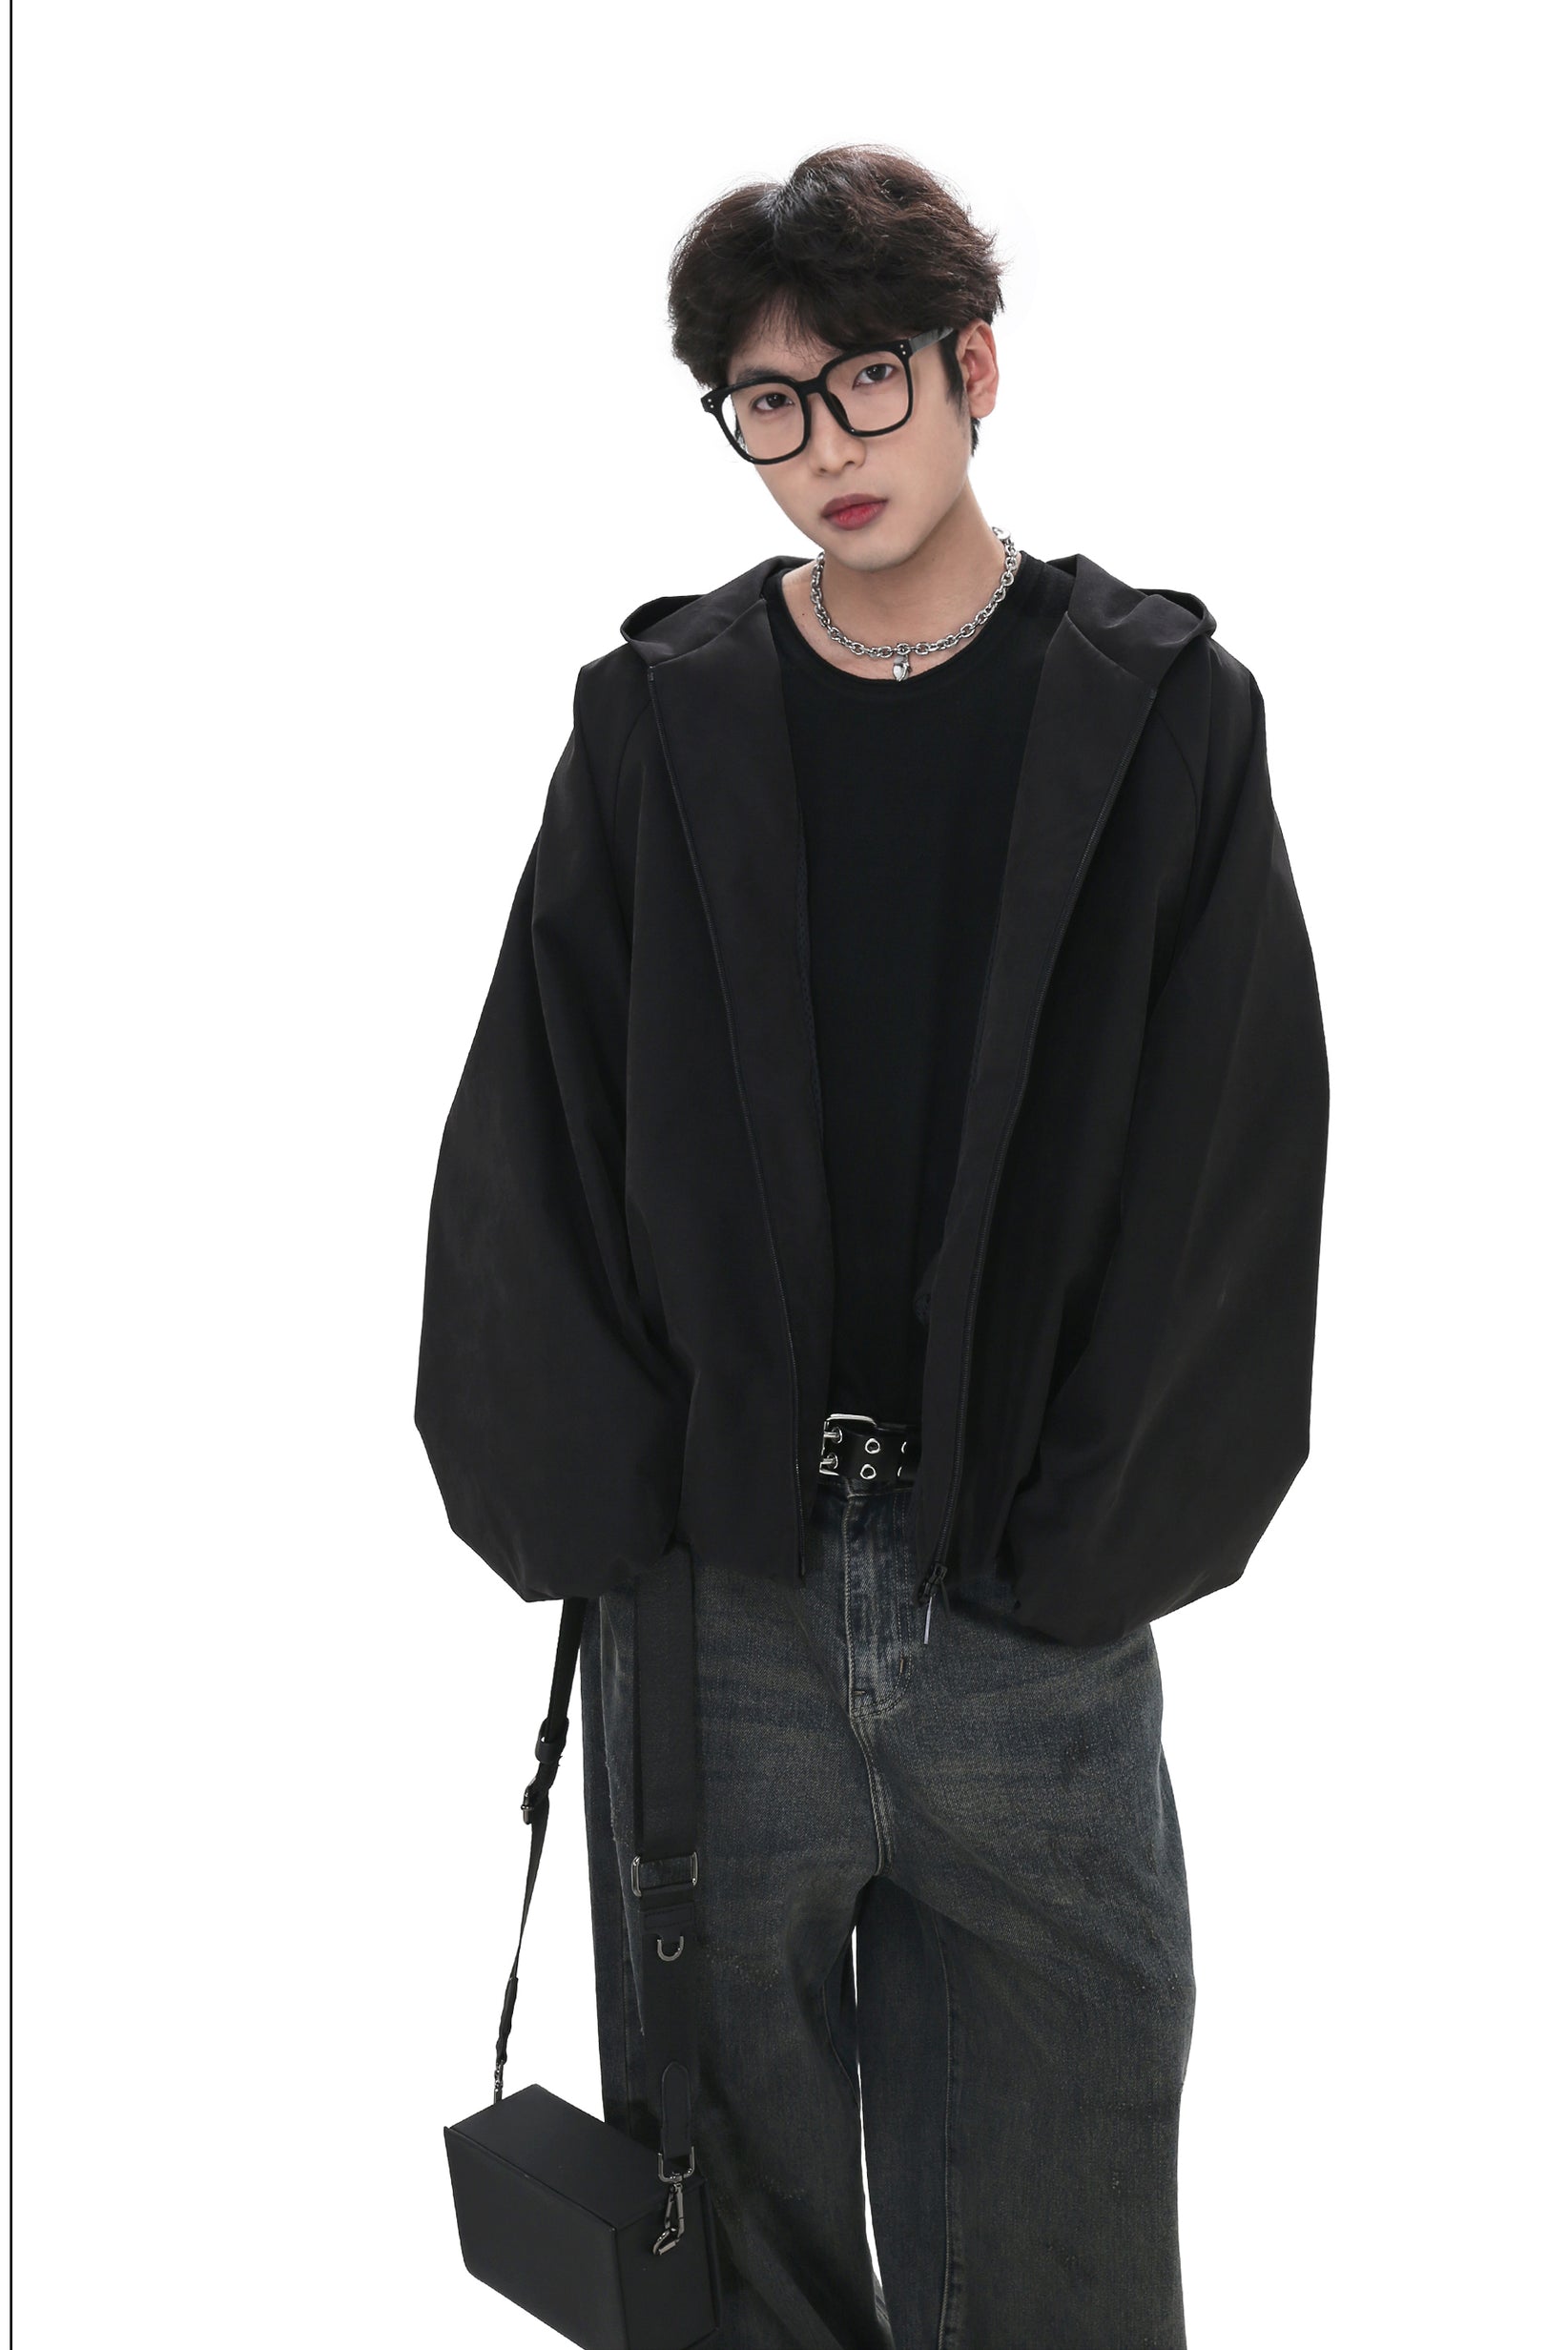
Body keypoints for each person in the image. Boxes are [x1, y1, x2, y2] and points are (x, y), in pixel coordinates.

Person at [417, 142, 1330, 2349]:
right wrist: (606, 1519)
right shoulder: (658, 720)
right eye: (768, 400)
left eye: (867, 381)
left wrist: (1093, 1536)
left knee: (1064, 2234)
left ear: (972, 368)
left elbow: (1236, 1152)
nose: (824, 442)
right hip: (719, 1591)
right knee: (726, 2238)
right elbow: (534, 1117)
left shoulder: (1156, 713)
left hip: (1025, 1588)